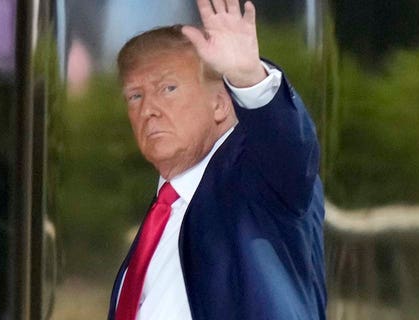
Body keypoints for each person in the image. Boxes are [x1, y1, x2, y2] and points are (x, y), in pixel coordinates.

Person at [107, 0, 326, 319]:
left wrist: (248, 77)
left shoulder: (255, 178)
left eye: (168, 88)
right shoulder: (165, 208)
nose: (148, 109)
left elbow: (290, 150)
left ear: (221, 104)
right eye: (135, 95)